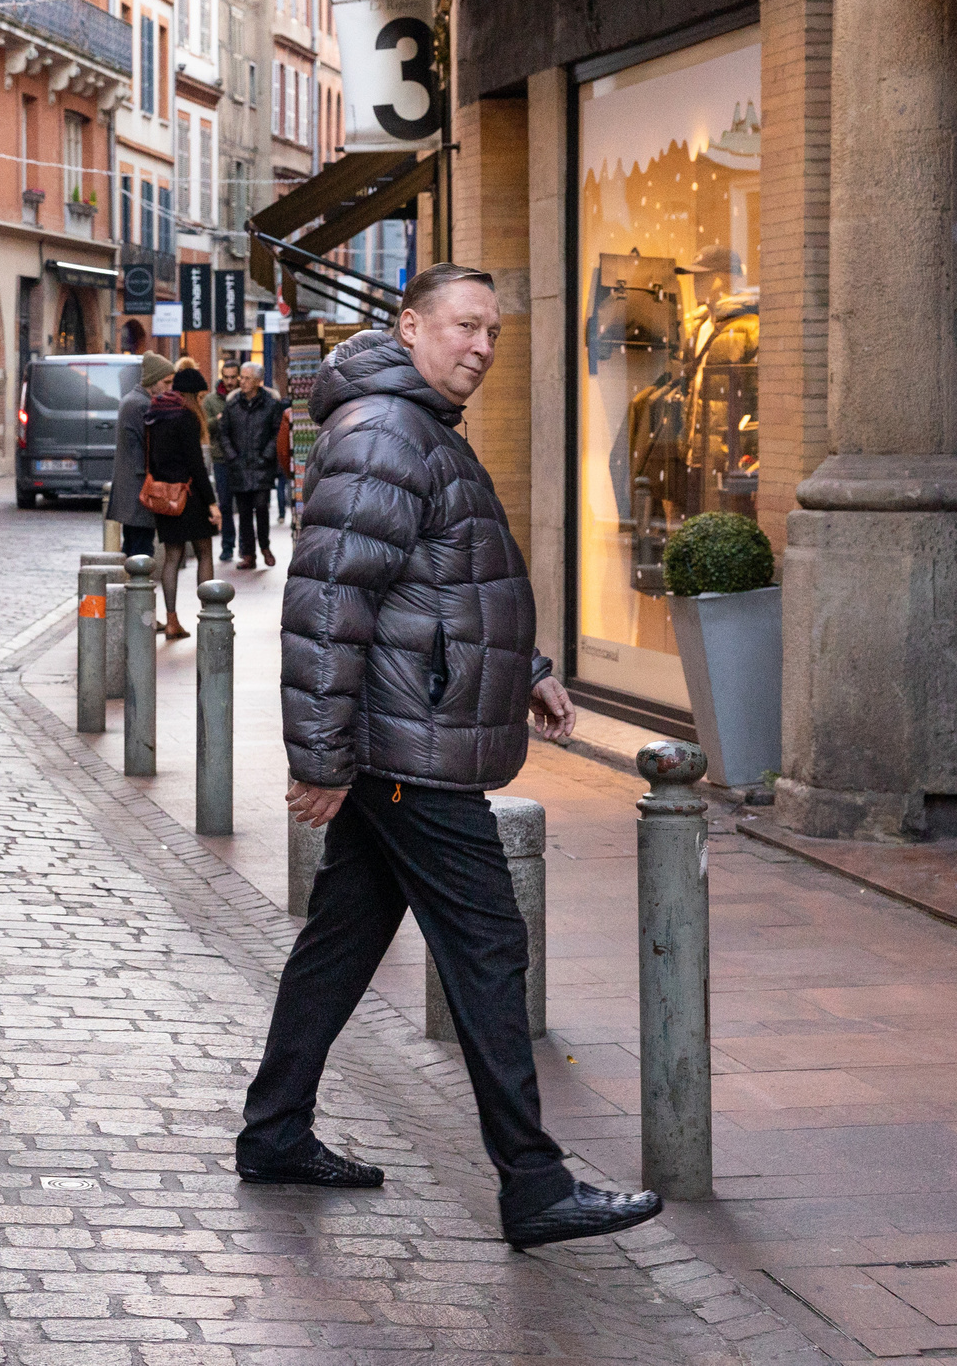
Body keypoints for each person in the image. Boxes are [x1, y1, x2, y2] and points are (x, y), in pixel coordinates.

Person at [240, 265, 661, 1250]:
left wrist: (527, 666)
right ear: (409, 324)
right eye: (463, 326)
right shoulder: (389, 432)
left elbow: (444, 584)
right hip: (405, 751)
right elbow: (327, 606)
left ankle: (273, 1130)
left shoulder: (414, 426)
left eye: (492, 334)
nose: (479, 346)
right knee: (486, 944)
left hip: (405, 736)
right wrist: (322, 759)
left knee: (341, 939)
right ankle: (532, 1182)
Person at [144, 366, 220, 639]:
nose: (200, 402)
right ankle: (212, 617)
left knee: (172, 557)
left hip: (164, 497)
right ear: (190, 394)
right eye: (199, 397)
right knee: (205, 553)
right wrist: (211, 503)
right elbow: (196, 465)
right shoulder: (186, 417)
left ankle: (171, 620)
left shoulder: (154, 413)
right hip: (190, 496)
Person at [216, 361, 290, 570]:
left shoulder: (270, 404)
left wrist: (266, 456)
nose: (242, 382)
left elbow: (277, 432)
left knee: (261, 508)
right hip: (239, 467)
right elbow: (224, 433)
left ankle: (264, 546)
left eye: (247, 378)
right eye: (242, 377)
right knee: (245, 513)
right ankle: (248, 554)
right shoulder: (232, 404)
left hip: (261, 467)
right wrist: (232, 457)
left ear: (258, 381)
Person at [106, 352, 174, 563]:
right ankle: (136, 595)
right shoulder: (140, 404)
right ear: (153, 380)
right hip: (139, 490)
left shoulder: (135, 400)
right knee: (141, 552)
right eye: (166, 382)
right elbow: (153, 446)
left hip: (134, 490)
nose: (169, 388)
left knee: (134, 546)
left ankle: (132, 593)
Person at [206, 361, 238, 562]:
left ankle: (246, 549)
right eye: (226, 377)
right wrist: (218, 419)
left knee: (245, 506)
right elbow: (205, 427)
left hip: (242, 457)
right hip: (221, 458)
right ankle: (227, 545)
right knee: (225, 503)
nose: (229, 382)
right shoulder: (211, 400)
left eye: (233, 377)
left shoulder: (242, 396)